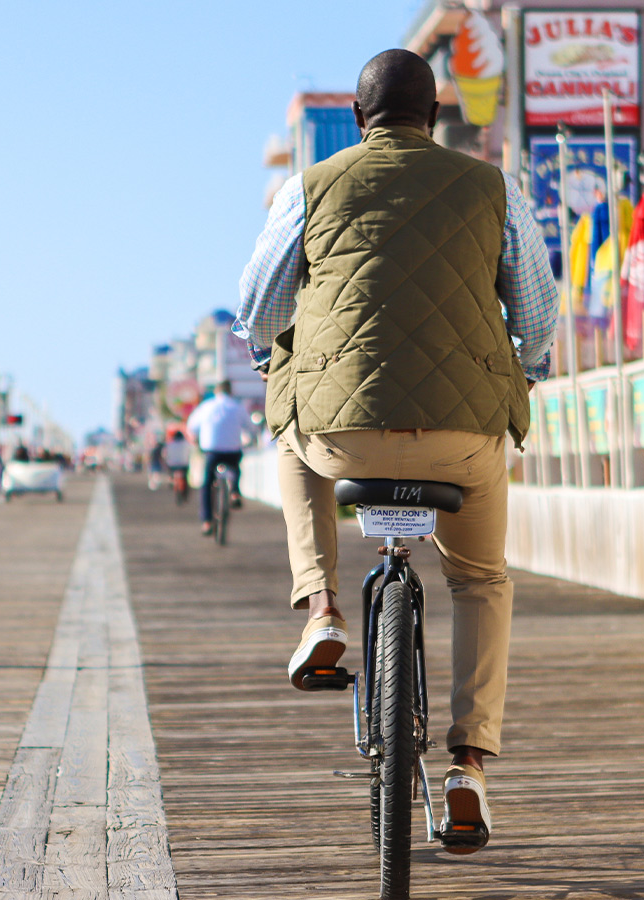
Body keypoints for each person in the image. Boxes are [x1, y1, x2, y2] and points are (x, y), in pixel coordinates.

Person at [234, 49, 558, 852]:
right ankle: (469, 767)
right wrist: (530, 369)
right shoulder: (492, 187)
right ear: (437, 115)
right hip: (463, 435)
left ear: (356, 117)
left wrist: (276, 353)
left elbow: (257, 308)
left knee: (289, 422)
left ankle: (322, 608)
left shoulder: (308, 188)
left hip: (342, 435)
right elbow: (538, 311)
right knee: (481, 580)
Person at [185, 381, 248, 536]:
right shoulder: (237, 406)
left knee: (206, 483)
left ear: (216, 391)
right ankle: (234, 492)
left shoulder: (206, 406)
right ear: (230, 391)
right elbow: (250, 427)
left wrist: (195, 439)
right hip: (232, 451)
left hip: (211, 451)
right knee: (236, 466)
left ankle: (206, 522)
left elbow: (191, 426)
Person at [163, 426, 192, 497]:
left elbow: (164, 454)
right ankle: (184, 489)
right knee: (186, 477)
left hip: (172, 465)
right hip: (184, 464)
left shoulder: (169, 444)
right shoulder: (187, 444)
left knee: (171, 474)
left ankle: (171, 480)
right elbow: (190, 453)